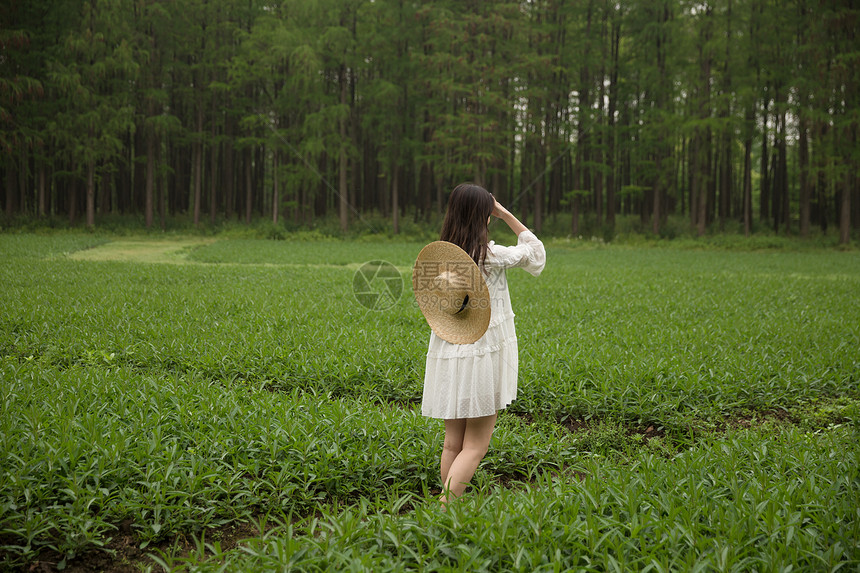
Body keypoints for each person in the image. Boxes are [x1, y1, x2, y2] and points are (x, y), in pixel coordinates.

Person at [418, 182, 546, 506]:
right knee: (475, 447)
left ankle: (448, 508)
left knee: (452, 444)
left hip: (450, 353)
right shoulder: (493, 255)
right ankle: (444, 510)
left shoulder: (441, 260)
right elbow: (535, 254)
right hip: (482, 357)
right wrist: (504, 214)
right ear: (483, 216)